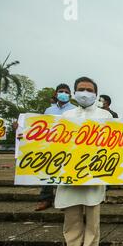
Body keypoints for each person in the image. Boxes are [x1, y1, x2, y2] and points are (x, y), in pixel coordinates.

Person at [53, 77, 112, 246]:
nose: (84, 93)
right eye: (80, 89)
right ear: (74, 92)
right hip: (69, 177)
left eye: (89, 90)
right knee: (71, 224)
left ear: (96, 94)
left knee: (92, 223)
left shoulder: (105, 116)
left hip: (94, 178)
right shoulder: (66, 116)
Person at [36, 83, 76, 212]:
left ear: (70, 95)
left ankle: (65, 200)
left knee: (66, 173)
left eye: (66, 91)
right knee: (48, 171)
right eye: (61, 91)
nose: (63, 94)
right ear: (56, 94)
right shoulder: (49, 110)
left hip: (68, 146)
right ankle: (46, 199)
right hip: (51, 145)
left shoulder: (75, 110)